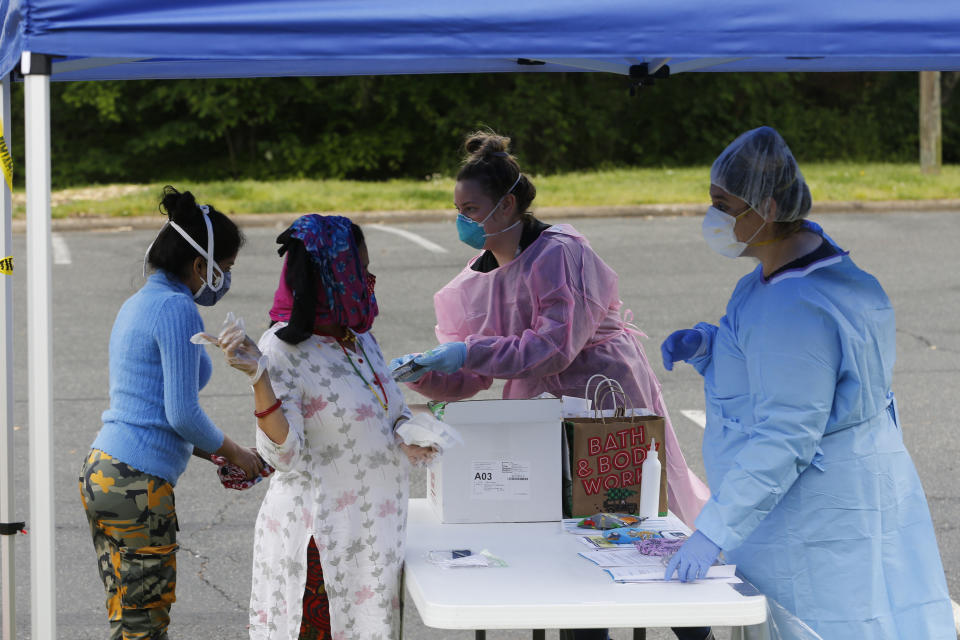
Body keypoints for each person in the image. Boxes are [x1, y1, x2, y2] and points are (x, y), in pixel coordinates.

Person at [391, 131, 713, 640]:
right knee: (563, 541)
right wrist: (427, 372)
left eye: (471, 208)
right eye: (457, 209)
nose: (462, 221)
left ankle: (699, 632)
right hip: (538, 412)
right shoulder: (471, 284)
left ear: (508, 203)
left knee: (632, 527)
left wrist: (468, 350)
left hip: (605, 399)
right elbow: (470, 377)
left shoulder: (560, 255)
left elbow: (553, 347)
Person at [661, 126, 955, 638]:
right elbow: (783, 371)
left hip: (816, 513)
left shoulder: (795, 309)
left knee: (831, 623)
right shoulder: (797, 276)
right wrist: (713, 349)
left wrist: (715, 527)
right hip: (855, 488)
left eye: (724, 205)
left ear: (768, 208)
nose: (714, 219)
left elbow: (787, 434)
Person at [214, 214, 435, 640]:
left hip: (373, 539)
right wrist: (260, 379)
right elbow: (285, 456)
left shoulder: (356, 335)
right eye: (361, 270)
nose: (370, 279)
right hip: (322, 544)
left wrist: (408, 431)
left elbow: (385, 408)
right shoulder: (281, 349)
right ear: (335, 275)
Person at [79, 186, 262, 640]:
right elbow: (181, 414)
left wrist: (215, 454)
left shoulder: (139, 300)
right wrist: (240, 454)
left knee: (129, 619)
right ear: (200, 264)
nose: (223, 279)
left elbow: (150, 411)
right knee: (146, 627)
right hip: (138, 487)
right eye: (225, 269)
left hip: (104, 473)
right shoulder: (177, 307)